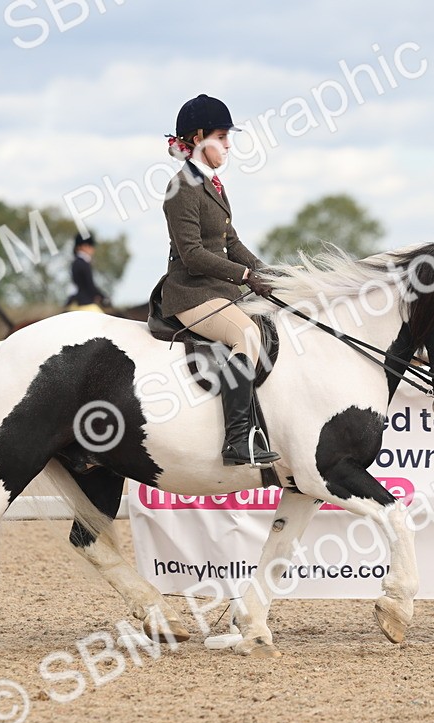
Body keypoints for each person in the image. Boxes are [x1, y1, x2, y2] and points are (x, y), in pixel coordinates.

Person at [160, 93, 279, 467]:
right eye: (223, 136)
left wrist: (269, 273)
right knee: (245, 335)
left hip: (218, 290)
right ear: (198, 138)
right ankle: (238, 440)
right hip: (190, 293)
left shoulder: (211, 185)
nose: (229, 145)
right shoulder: (180, 188)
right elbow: (193, 255)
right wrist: (245, 276)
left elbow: (231, 242)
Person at [65, 232, 108, 312]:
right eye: (89, 246)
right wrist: (103, 297)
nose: (92, 249)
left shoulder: (76, 262)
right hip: (85, 304)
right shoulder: (83, 263)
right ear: (82, 247)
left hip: (75, 303)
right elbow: (90, 285)